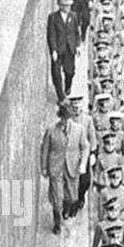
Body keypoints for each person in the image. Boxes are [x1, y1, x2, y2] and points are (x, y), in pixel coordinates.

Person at [40, 98, 89, 232]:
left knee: (72, 197)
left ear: (71, 118)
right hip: (56, 168)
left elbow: (85, 147)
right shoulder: (51, 130)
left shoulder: (79, 130)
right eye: (62, 118)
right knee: (57, 198)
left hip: (72, 168)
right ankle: (57, 223)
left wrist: (83, 164)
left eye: (67, 118)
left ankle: (66, 208)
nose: (64, 121)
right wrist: (44, 167)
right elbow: (44, 149)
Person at [46, 0, 80, 102]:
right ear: (61, 6)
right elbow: (51, 35)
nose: (68, 7)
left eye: (69, 5)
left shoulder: (73, 16)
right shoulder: (53, 18)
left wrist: (77, 46)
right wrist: (54, 50)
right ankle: (61, 97)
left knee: (70, 72)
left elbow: (76, 32)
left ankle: (67, 87)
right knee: (56, 73)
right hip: (59, 50)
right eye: (66, 6)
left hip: (70, 49)